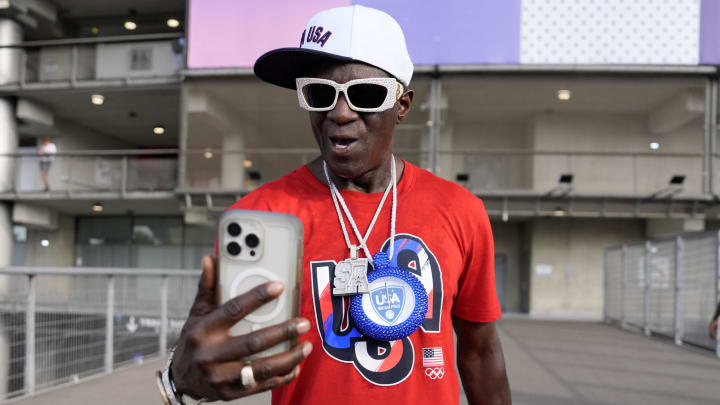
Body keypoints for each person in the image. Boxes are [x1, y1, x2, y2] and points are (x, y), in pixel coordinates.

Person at [164, 5, 510, 405]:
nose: (339, 112)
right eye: (319, 93)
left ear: (402, 105)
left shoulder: (460, 210)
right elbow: (220, 354)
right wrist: (181, 378)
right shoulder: (262, 215)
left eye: (364, 94)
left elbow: (480, 350)